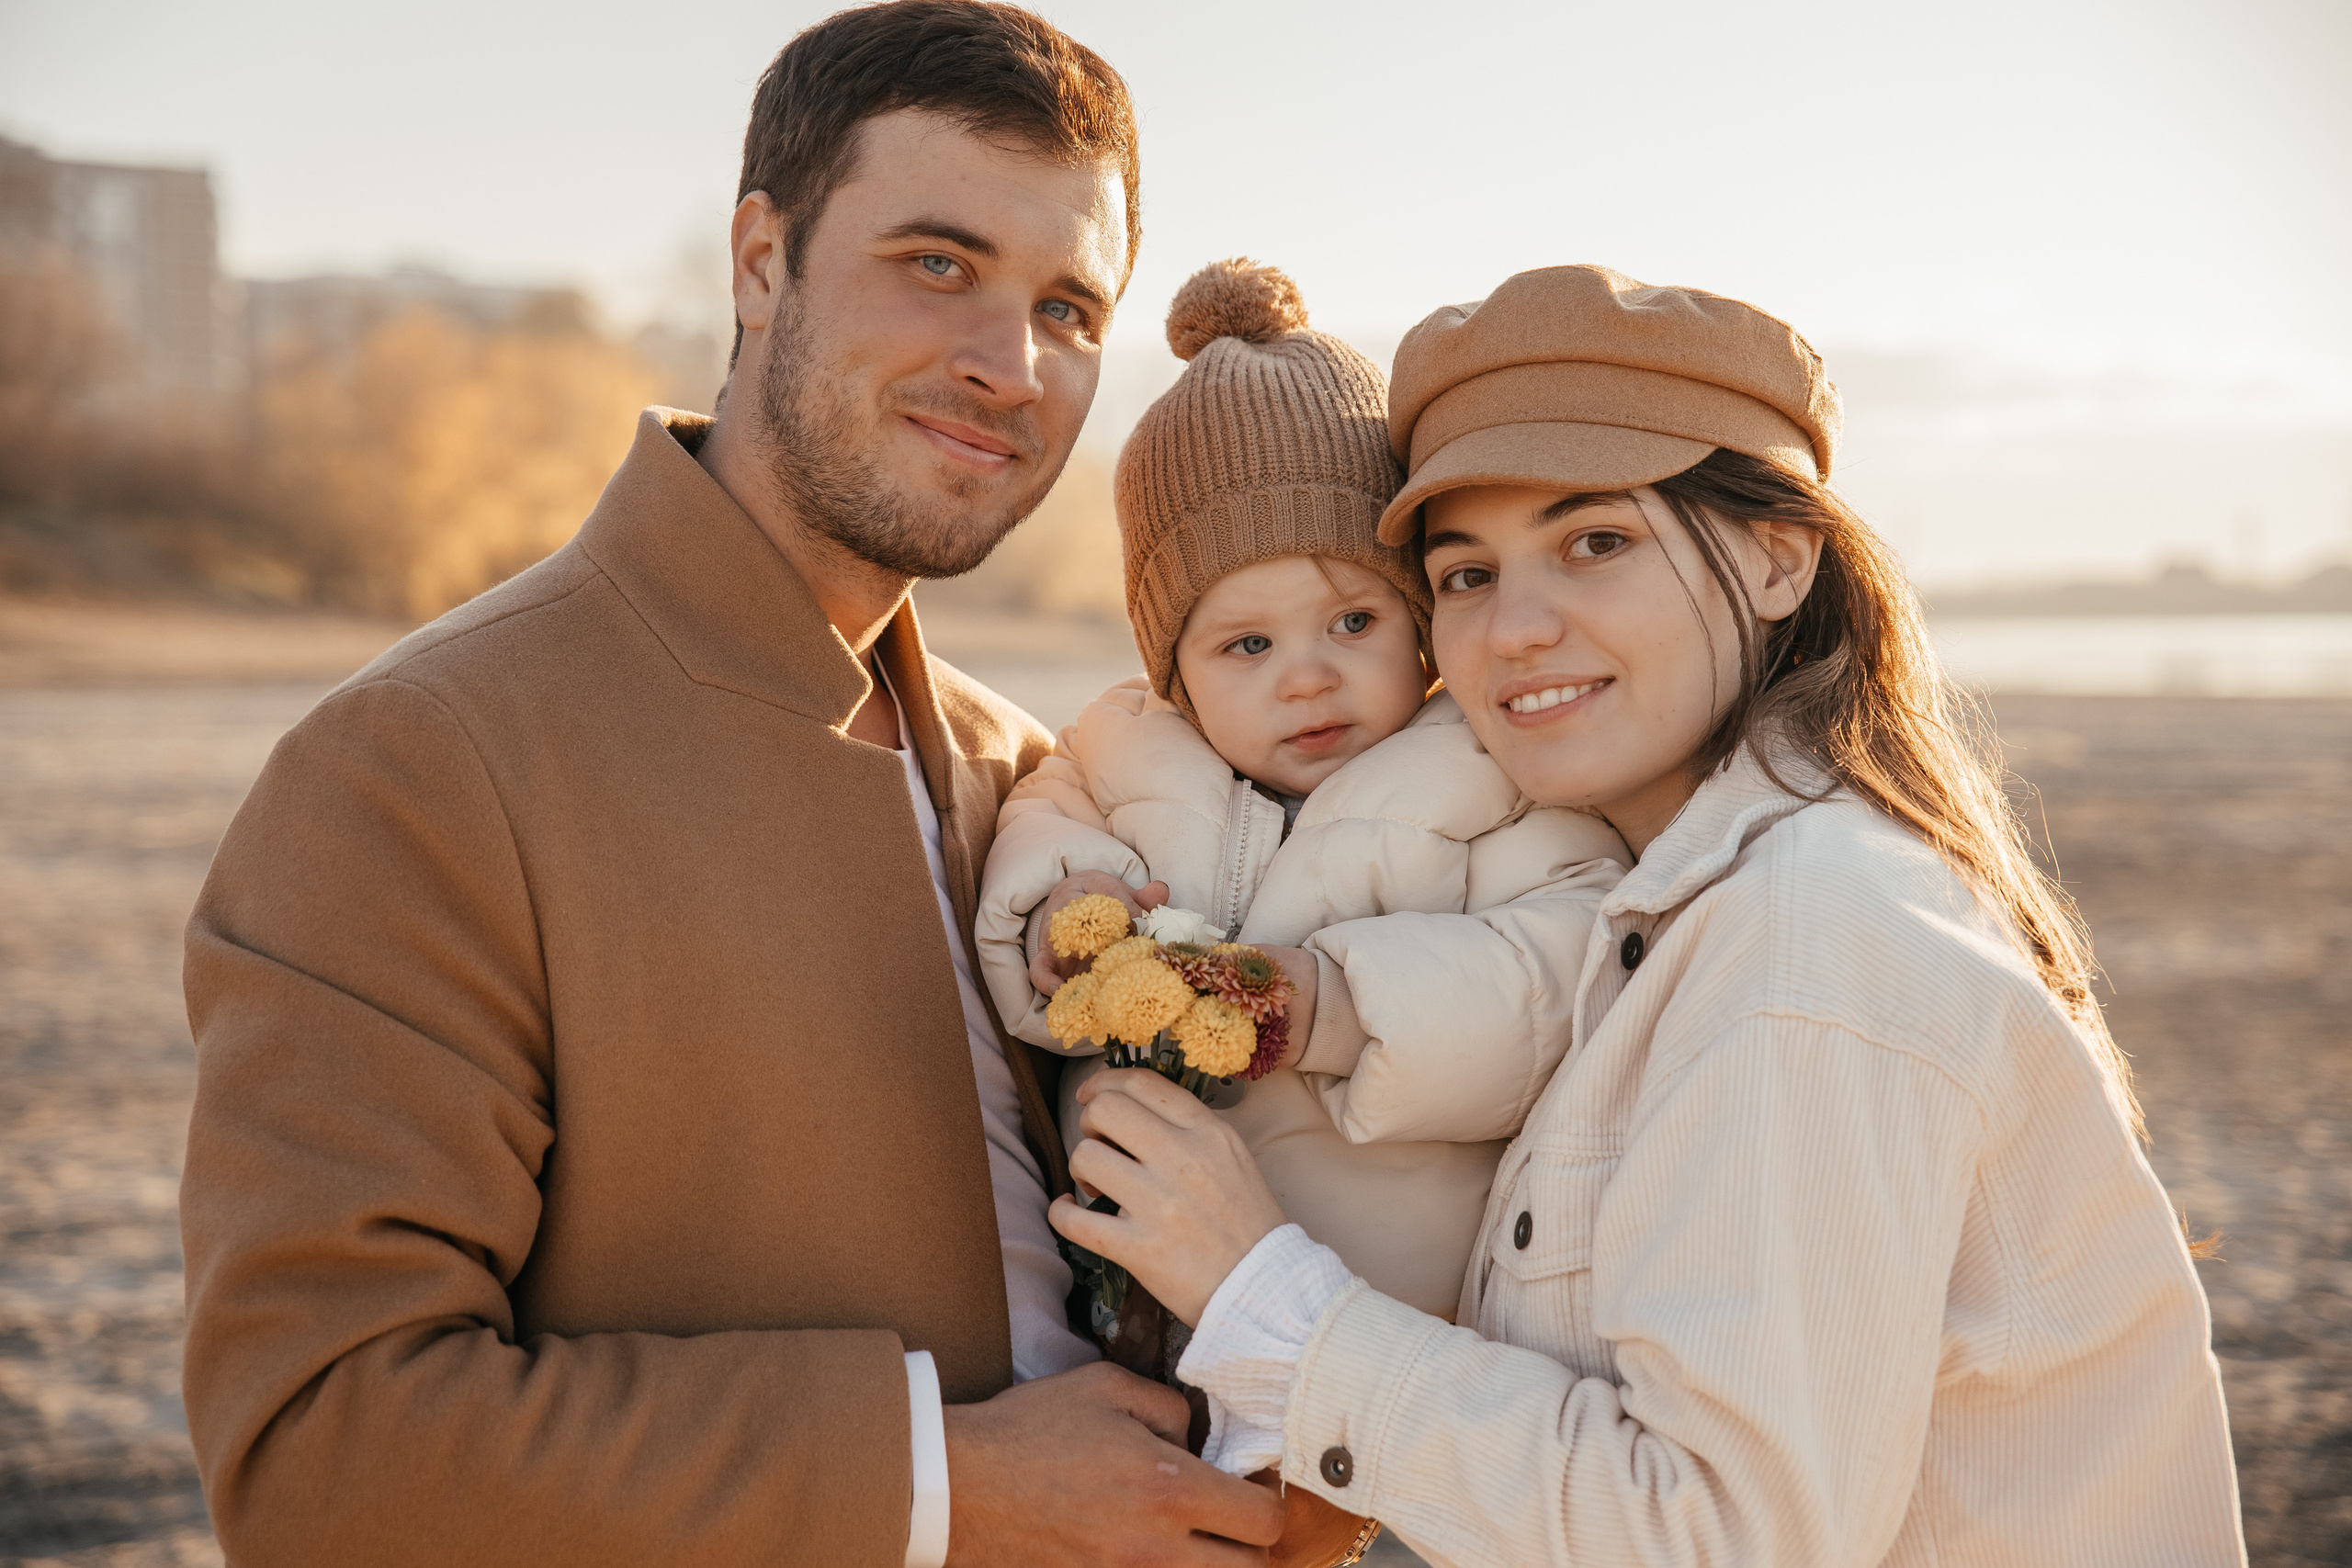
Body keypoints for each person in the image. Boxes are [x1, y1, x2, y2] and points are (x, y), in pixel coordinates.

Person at [175, 5, 1283, 1565]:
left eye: (1069, 306)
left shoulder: (1037, 779)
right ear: (760, 261)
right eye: (937, 262)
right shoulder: (421, 762)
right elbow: (323, 1451)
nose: (1008, 365)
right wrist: (948, 1485)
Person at [1050, 265, 2247, 1566]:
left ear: (1780, 554)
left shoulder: (1807, 943)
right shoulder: (1666, 906)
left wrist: (1264, 1287)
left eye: (1596, 542)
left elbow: (1718, 1533)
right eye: (1463, 572)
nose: (1514, 629)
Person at [974, 254, 1623, 1378]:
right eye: (1248, 645)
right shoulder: (1120, 749)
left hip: (1376, 1323)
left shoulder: (1485, 771)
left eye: (1353, 622)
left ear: (1418, 619)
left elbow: (1562, 980)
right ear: (1172, 669)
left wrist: (1326, 1007)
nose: (1307, 678)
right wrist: (1066, 904)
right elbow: (1040, 824)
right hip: (1128, 1306)